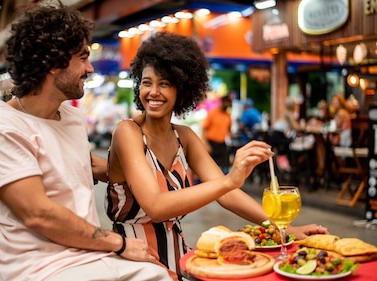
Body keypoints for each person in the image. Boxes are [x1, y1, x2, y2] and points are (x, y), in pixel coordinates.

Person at [0, 3, 172, 281]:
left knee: (165, 274)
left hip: (89, 256)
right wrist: (119, 243)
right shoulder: (3, 129)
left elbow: (82, 166)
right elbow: (38, 214)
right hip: (39, 269)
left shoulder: (72, 117)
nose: (90, 68)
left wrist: (144, 162)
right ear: (54, 62)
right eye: (82, 57)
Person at [105, 31, 329, 281]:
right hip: (134, 265)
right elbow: (156, 207)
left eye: (164, 83)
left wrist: (285, 229)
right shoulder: (127, 132)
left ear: (182, 88)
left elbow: (228, 194)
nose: (153, 92)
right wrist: (229, 179)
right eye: (147, 82)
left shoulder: (184, 136)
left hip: (180, 261)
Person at [202, 94, 233, 174]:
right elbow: (204, 128)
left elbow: (229, 129)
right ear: (223, 102)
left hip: (222, 143)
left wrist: (231, 134)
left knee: (225, 167)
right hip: (211, 143)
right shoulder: (213, 113)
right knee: (209, 167)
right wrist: (206, 144)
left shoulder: (227, 115)